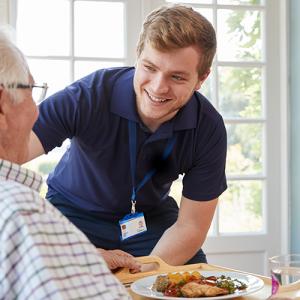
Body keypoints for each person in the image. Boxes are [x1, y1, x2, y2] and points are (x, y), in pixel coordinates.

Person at [27, 4, 227, 267]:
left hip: (149, 220)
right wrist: (80, 258)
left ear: (201, 78)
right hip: (72, 213)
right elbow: (12, 148)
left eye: (177, 77)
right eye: (150, 67)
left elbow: (190, 226)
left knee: (191, 285)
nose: (158, 87)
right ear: (138, 56)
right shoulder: (89, 96)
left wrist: (141, 273)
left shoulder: (208, 127)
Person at [0, 29, 135, 299]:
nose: (37, 109)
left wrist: (78, 257)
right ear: (3, 103)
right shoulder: (20, 210)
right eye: (31, 91)